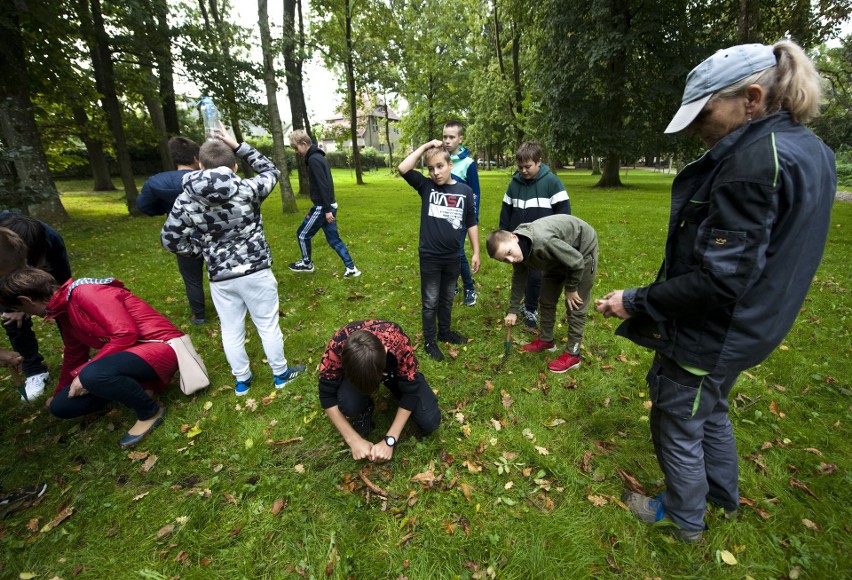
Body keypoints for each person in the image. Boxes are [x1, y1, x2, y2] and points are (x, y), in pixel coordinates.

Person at [594, 41, 836, 543]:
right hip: (754, 327)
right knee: (711, 408)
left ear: (751, 98)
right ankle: (722, 500)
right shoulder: (811, 149)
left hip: (715, 330)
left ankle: (684, 520)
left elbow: (721, 279)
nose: (698, 131)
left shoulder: (753, 163)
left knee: (677, 416)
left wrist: (635, 300)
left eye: (704, 115)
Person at [161, 123, 306, 396]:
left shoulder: (186, 200)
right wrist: (239, 146)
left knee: (231, 330)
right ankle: (280, 374)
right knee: (267, 324)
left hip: (221, 277)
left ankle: (243, 381)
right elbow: (271, 170)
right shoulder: (249, 189)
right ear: (235, 167)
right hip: (256, 271)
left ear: (199, 165)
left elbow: (170, 240)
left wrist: (200, 252)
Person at [0, 268, 181, 448]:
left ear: (26, 300)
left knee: (91, 374)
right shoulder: (63, 311)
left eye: (19, 308)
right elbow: (74, 353)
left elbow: (125, 334)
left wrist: (84, 373)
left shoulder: (85, 291)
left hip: (162, 346)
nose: (28, 314)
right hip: (130, 358)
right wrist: (58, 393)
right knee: (61, 406)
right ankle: (134, 387)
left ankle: (150, 412)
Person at [398, 140, 479, 361]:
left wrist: (476, 252)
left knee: (446, 298)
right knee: (430, 300)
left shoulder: (464, 191)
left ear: (450, 164)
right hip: (430, 256)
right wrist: (425, 147)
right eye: (431, 168)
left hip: (453, 256)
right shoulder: (426, 187)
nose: (435, 172)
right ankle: (429, 340)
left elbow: (471, 222)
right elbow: (403, 168)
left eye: (440, 166)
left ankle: (444, 332)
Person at [487, 214, 597, 373]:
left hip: (582, 250)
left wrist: (571, 289)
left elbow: (577, 261)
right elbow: (519, 279)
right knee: (546, 299)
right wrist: (513, 311)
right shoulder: (519, 251)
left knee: (575, 306)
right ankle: (547, 340)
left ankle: (573, 354)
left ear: (513, 237)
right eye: (505, 260)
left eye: (509, 253)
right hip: (556, 257)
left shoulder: (543, 242)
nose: (511, 260)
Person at [318, 320, 441, 462]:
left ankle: (396, 384)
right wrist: (353, 440)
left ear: (385, 351)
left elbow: (411, 391)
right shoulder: (336, 347)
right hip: (359, 373)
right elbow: (326, 395)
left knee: (430, 421)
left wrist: (390, 440)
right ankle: (364, 407)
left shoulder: (397, 340)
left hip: (395, 374)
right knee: (348, 402)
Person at [498, 141, 571, 331]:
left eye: (528, 166)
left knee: (537, 276)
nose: (523, 170)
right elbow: (506, 212)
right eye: (520, 167)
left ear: (539, 161)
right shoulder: (514, 184)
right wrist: (504, 233)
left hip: (543, 243)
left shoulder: (552, 182)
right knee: (520, 272)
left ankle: (531, 308)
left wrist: (558, 238)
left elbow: (564, 215)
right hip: (518, 242)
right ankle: (518, 306)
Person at [136, 136, 208, 325]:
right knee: (220, 273)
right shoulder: (207, 179)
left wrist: (167, 210)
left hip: (182, 236)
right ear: (196, 158)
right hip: (211, 231)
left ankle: (199, 316)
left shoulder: (158, 182)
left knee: (191, 278)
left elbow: (144, 206)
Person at [0, 215, 72, 401]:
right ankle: (34, 371)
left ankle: (76, 353)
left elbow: (63, 284)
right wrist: (15, 305)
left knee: (62, 305)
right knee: (11, 317)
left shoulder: (50, 240)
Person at [287, 130, 360, 277]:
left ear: (304, 144)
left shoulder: (314, 159)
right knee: (334, 239)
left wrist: (326, 210)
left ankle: (306, 264)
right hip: (329, 205)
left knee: (302, 234)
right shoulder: (319, 157)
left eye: (296, 148)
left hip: (323, 207)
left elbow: (323, 185)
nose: (296, 152)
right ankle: (352, 268)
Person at [443, 120, 480, 306]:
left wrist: (473, 218)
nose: (447, 141)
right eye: (445, 137)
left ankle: (469, 288)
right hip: (443, 215)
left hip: (462, 217)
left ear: (460, 138)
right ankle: (452, 284)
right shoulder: (442, 159)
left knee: (458, 251)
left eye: (451, 137)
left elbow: (475, 193)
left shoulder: (468, 163)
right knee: (448, 250)